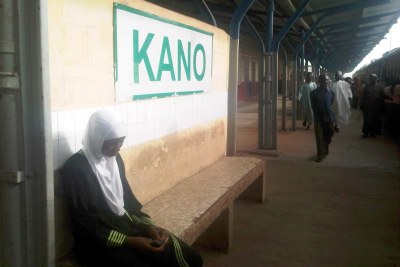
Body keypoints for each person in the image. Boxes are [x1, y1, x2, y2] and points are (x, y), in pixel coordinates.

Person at [59, 109, 203, 267]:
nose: (118, 147)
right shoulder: (76, 168)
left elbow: (127, 201)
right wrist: (129, 241)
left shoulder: (114, 159)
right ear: (97, 138)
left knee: (188, 255)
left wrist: (149, 227)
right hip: (99, 240)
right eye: (112, 142)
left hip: (126, 227)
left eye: (121, 141)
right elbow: (84, 223)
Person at [310, 74, 336, 163]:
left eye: (327, 80)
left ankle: (326, 147)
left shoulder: (331, 92)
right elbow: (313, 106)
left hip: (329, 117)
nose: (325, 81)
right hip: (319, 117)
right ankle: (320, 154)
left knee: (329, 134)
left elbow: (331, 104)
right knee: (319, 137)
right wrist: (318, 113)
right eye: (323, 80)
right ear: (319, 81)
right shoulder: (313, 93)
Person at [359, 73, 385, 138]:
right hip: (367, 106)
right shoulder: (366, 87)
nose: (372, 79)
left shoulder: (380, 87)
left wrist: (382, 106)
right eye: (371, 78)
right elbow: (363, 97)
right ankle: (366, 133)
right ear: (370, 79)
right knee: (367, 120)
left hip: (377, 107)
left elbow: (382, 97)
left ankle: (373, 133)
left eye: (374, 78)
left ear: (376, 79)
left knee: (375, 120)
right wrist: (361, 105)